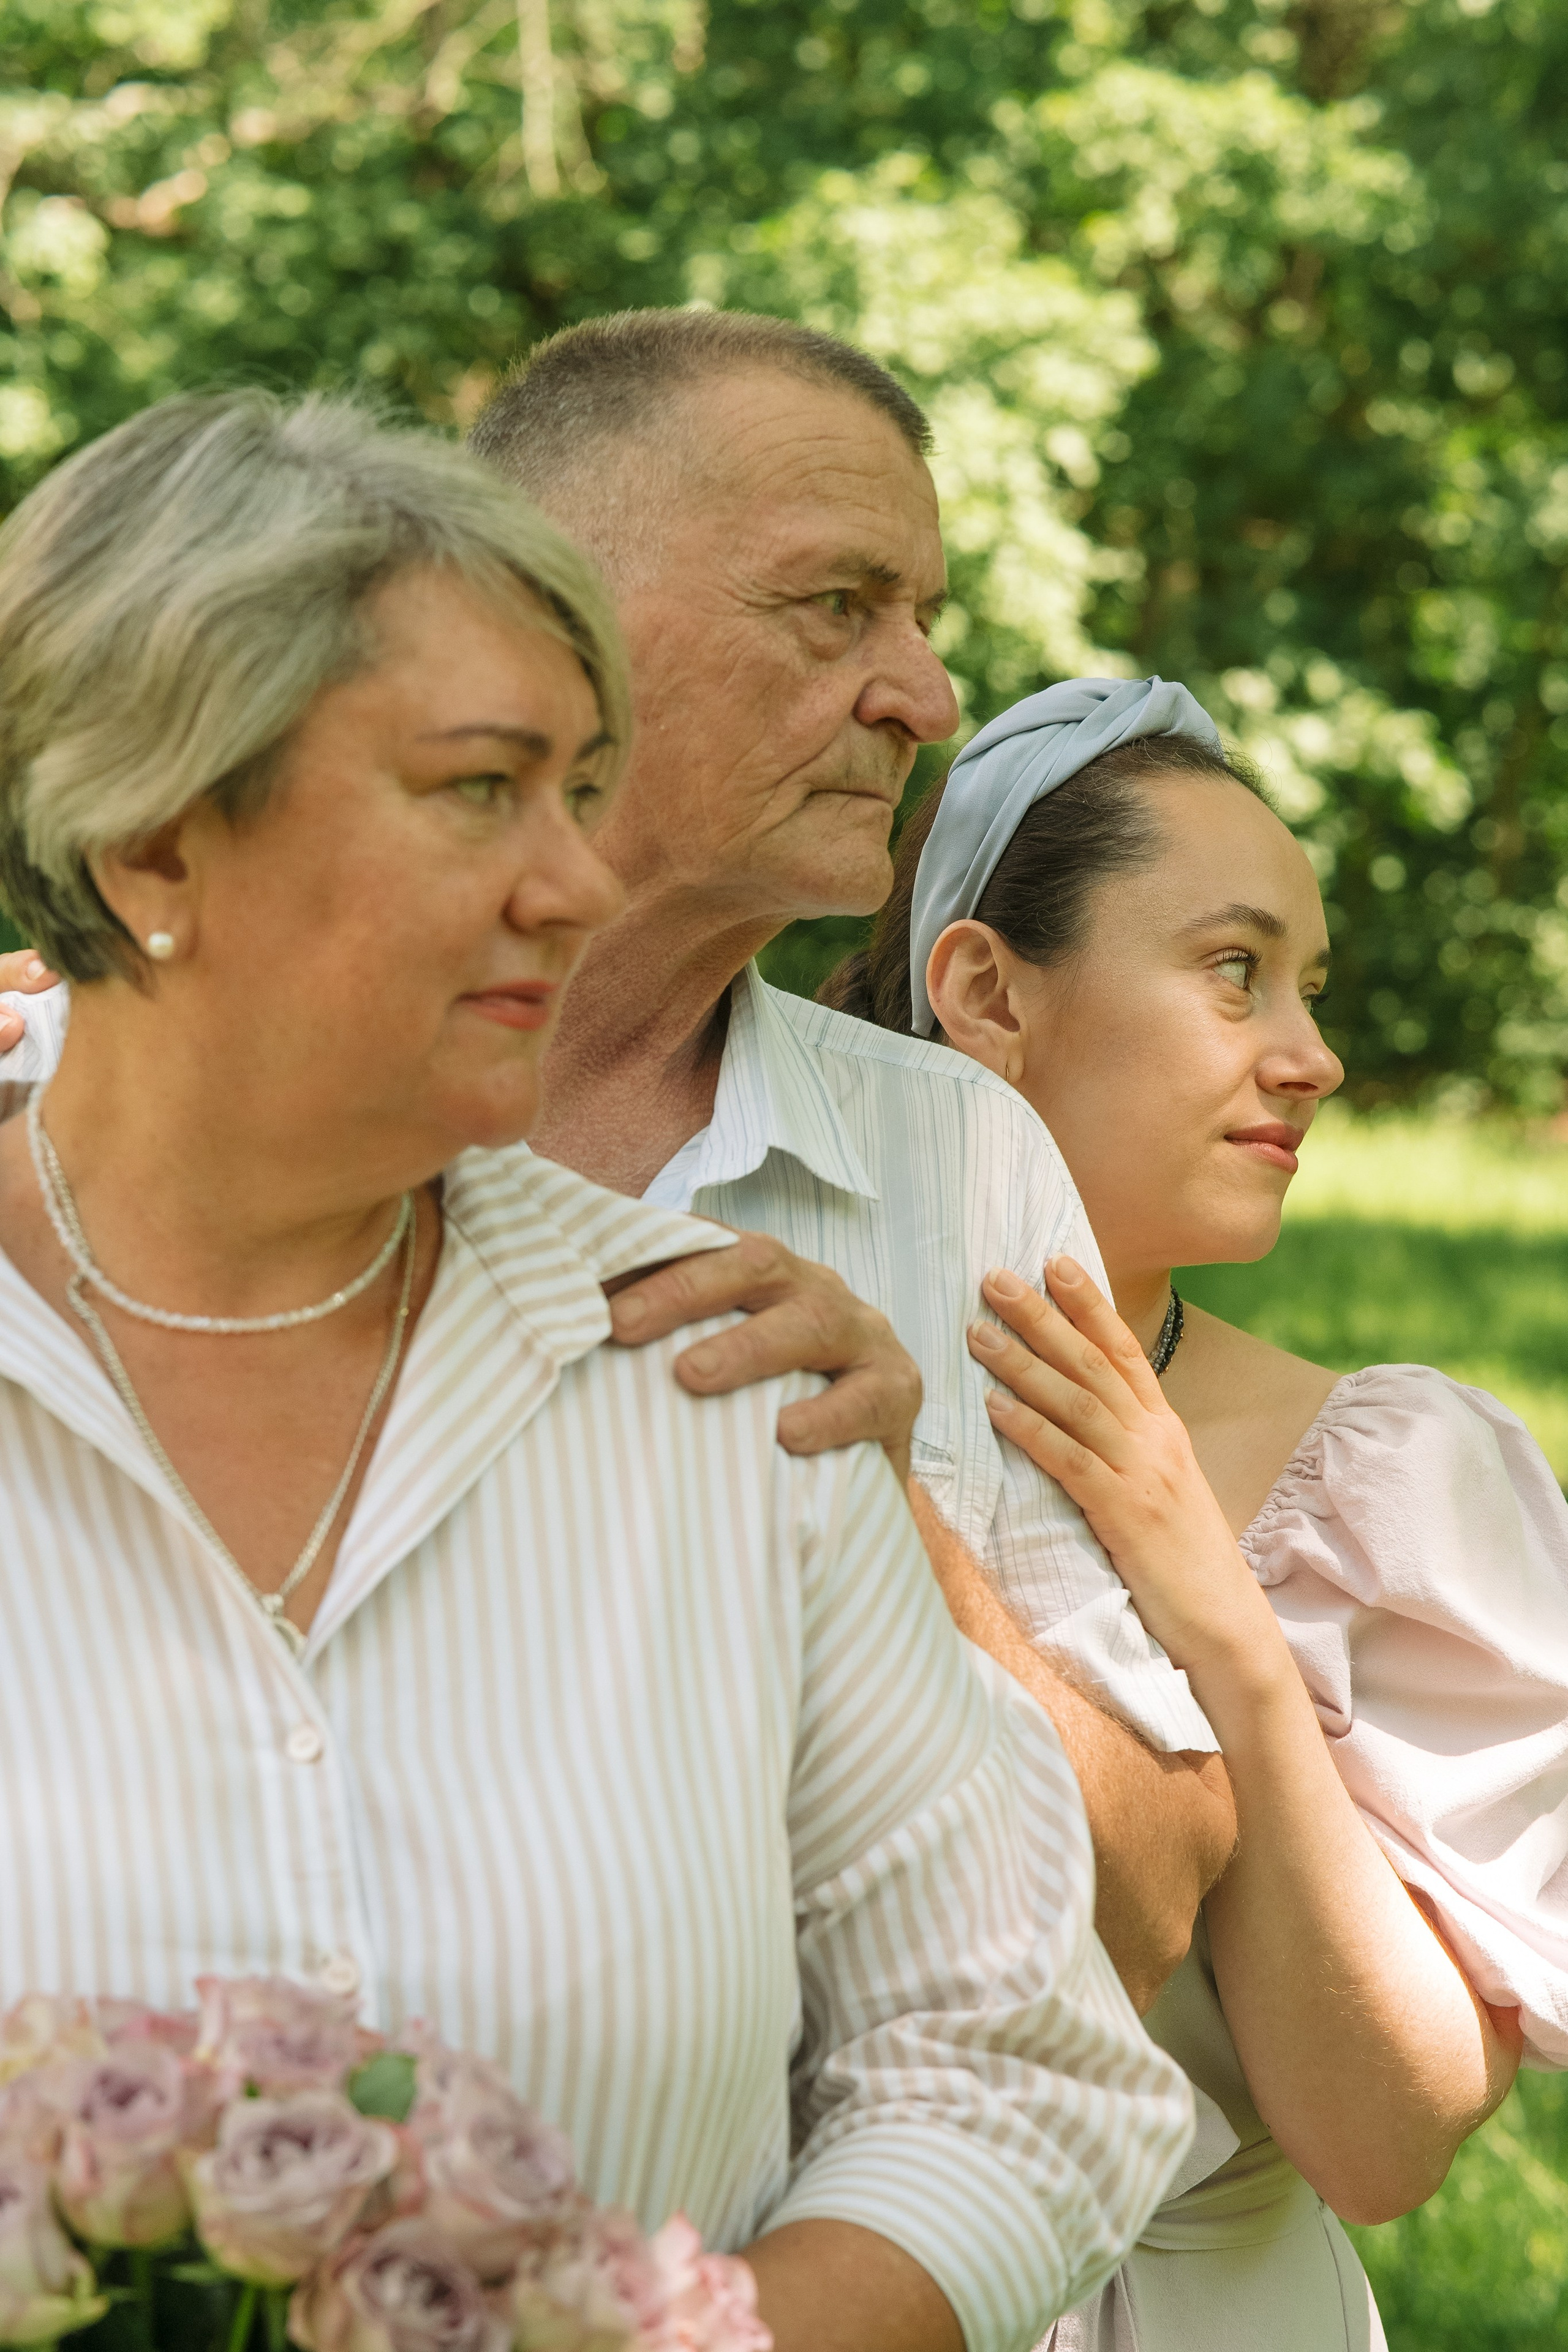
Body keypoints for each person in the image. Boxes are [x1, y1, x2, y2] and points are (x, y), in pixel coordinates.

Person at [0, 393, 1203, 2352]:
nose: (571, 884)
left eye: (580, 791)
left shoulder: (732, 1372)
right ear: (152, 842)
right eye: (482, 792)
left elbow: (1019, 2070)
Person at [821, 673, 1568, 2350]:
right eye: (1236, 970)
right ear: (986, 993)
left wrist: (1225, 1630)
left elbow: (1385, 2145)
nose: (1316, 1057)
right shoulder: (762, 1364)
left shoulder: (1385, 1486)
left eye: (1310, 987)